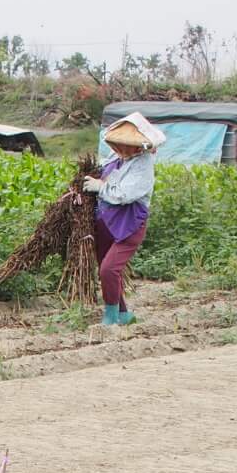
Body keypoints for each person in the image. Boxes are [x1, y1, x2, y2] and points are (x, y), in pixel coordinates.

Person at [84, 113, 165, 326]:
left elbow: (124, 194)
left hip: (129, 224)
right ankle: (124, 314)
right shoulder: (115, 159)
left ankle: (110, 317)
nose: (121, 149)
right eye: (118, 144)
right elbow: (100, 173)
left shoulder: (143, 165)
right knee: (107, 270)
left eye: (126, 145)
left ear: (139, 146)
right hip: (105, 222)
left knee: (108, 269)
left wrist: (100, 187)